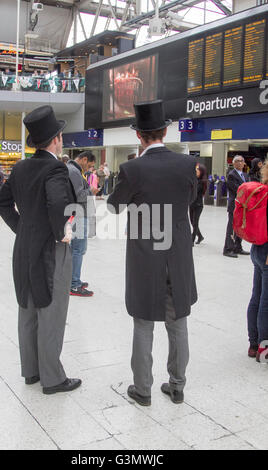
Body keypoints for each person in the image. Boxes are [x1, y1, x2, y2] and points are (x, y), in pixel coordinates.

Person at [108, 100, 197, 407]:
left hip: (145, 259)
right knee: (178, 322)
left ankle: (142, 389)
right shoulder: (187, 165)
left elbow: (114, 205)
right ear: (165, 131)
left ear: (139, 136)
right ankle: (177, 385)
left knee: (144, 322)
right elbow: (190, 198)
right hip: (177, 257)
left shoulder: (132, 168)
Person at [0, 105, 81, 395]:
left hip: (24, 247)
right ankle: (53, 378)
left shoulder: (20, 168)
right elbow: (59, 205)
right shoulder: (55, 168)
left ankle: (31, 371)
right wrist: (63, 231)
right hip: (49, 249)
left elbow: (2, 203)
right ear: (56, 138)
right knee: (51, 310)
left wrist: (22, 227)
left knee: (28, 307)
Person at [66, 151, 98, 297]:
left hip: (77, 214)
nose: (88, 169)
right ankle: (74, 285)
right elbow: (79, 195)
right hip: (79, 215)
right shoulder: (74, 172)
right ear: (84, 159)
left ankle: (73, 279)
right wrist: (91, 190)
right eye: (89, 165)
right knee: (78, 250)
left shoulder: (73, 170)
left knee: (78, 249)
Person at [247, 161, 268, 362]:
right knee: (265, 301)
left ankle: (254, 344)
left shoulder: (262, 191)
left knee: (257, 296)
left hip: (257, 248)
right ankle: (264, 346)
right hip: (267, 251)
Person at [223, 155, 250, 258]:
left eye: (242, 161)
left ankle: (237, 247)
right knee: (231, 227)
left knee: (240, 227)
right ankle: (228, 249)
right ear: (233, 163)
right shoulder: (231, 175)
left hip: (243, 206)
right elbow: (237, 189)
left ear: (244, 163)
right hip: (234, 205)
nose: (240, 163)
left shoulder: (246, 175)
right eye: (237, 161)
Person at [190, 163, 207, 246]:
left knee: (195, 222)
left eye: (197, 170)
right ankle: (200, 236)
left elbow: (194, 191)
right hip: (191, 204)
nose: (195, 171)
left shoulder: (201, 182)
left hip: (198, 205)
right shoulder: (194, 180)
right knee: (192, 222)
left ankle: (192, 240)